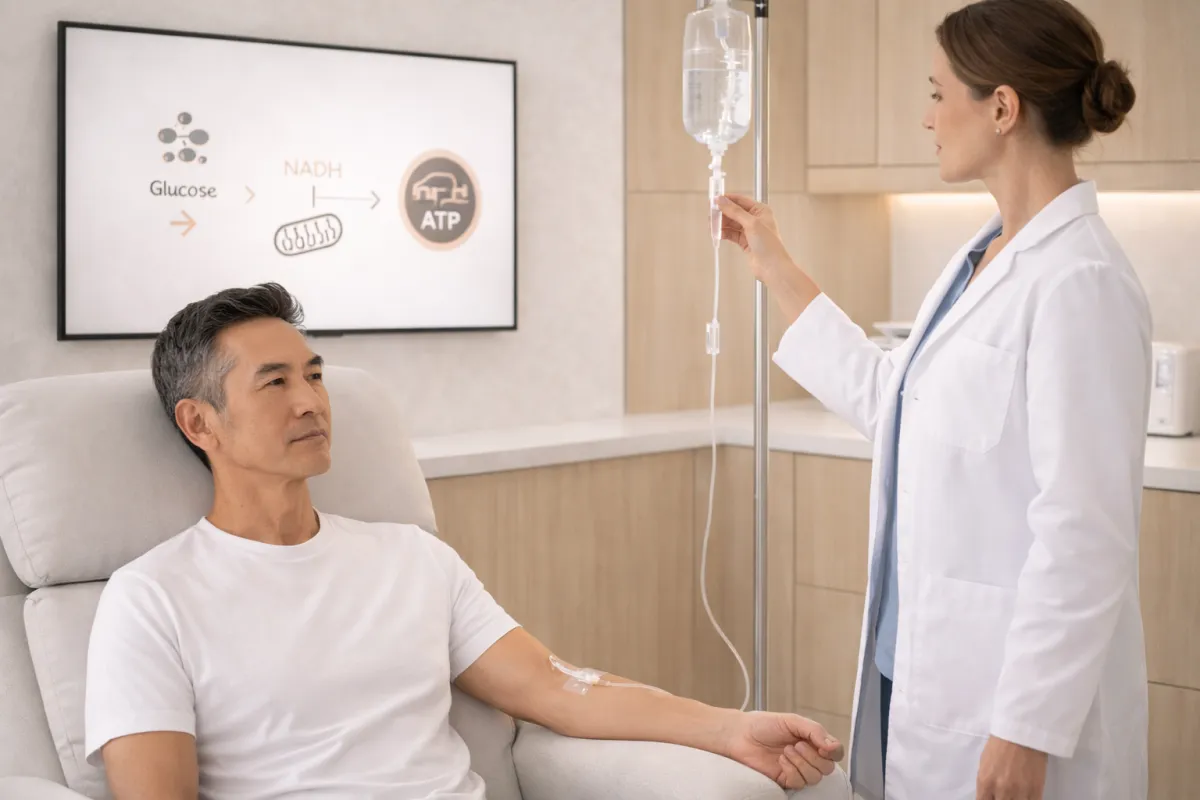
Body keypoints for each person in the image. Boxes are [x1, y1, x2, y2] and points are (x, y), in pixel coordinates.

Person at [83, 283, 846, 799]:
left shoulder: (410, 559)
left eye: (315, 376)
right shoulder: (152, 598)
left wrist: (729, 728)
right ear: (200, 423)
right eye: (275, 382)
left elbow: (557, 687)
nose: (311, 401)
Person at [715, 1, 1149, 799]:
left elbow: (1085, 531)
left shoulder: (1080, 281)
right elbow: (896, 403)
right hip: (919, 662)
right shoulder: (982, 257)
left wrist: (1027, 727)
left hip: (1007, 700)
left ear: (1003, 108)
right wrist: (774, 264)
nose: (927, 117)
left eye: (938, 93)